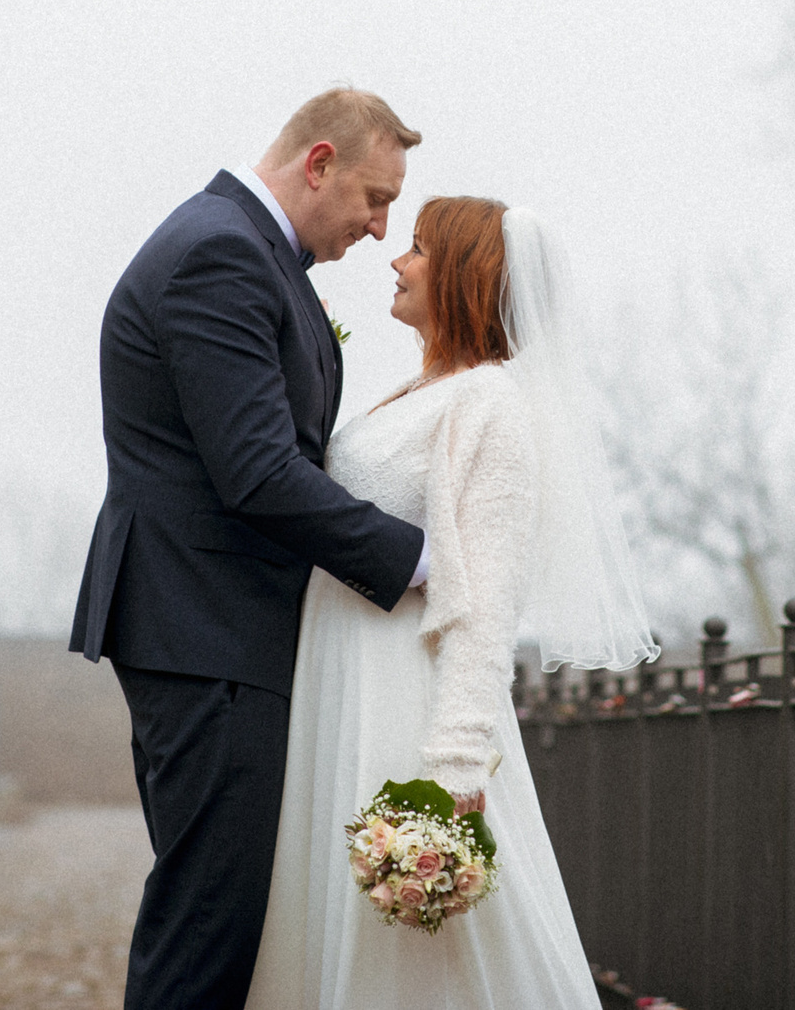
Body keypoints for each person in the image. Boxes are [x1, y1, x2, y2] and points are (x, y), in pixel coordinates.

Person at [244, 194, 658, 1009]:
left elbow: (488, 601)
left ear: (467, 275)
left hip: (404, 698)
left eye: (421, 249)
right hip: (341, 685)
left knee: (411, 958)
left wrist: (456, 763)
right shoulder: (419, 390)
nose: (398, 260)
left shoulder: (490, 407)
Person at [71, 88, 433, 1010]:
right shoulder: (221, 253)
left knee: (223, 918)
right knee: (206, 927)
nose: (381, 224)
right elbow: (261, 473)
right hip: (207, 630)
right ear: (318, 162)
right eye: (374, 196)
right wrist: (421, 560)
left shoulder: (252, 252)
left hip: (215, 633)